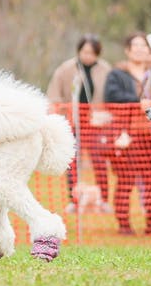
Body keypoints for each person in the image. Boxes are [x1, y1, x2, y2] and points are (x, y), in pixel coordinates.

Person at [103, 32, 151, 235]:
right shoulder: (117, 74)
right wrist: (136, 102)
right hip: (127, 135)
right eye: (135, 46)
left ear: (149, 51)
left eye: (143, 46)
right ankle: (124, 224)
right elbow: (111, 96)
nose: (139, 49)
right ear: (128, 50)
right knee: (125, 180)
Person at [47, 35, 112, 211]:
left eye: (92, 52)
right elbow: (54, 94)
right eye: (85, 51)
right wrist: (61, 112)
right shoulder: (66, 69)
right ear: (79, 51)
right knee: (72, 161)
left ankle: (103, 199)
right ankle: (74, 200)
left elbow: (111, 95)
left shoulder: (105, 69)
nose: (88, 56)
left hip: (96, 123)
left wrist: (106, 114)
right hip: (72, 121)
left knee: (99, 160)